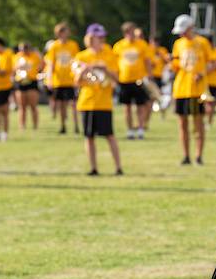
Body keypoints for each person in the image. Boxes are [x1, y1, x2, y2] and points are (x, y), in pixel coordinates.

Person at [73, 23, 123, 176]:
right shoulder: (81, 56)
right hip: (87, 102)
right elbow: (76, 82)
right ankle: (93, 168)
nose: (102, 39)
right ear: (90, 38)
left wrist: (105, 68)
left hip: (104, 102)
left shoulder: (109, 53)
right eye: (98, 37)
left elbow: (117, 77)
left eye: (102, 36)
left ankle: (118, 167)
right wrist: (84, 69)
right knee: (89, 137)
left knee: (109, 135)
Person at [171, 14, 215, 165]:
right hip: (181, 89)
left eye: (184, 30)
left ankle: (198, 155)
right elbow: (176, 63)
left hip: (197, 90)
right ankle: (186, 156)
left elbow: (213, 63)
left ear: (191, 27)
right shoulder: (178, 44)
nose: (182, 34)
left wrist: (202, 73)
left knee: (198, 124)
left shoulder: (202, 42)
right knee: (182, 124)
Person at [113, 23, 152, 139]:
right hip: (124, 80)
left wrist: (149, 75)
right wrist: (115, 79)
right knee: (127, 107)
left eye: (132, 31)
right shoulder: (119, 45)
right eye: (129, 32)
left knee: (140, 106)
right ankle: (129, 130)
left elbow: (147, 61)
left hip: (138, 79)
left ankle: (140, 129)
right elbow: (114, 64)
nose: (131, 34)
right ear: (125, 33)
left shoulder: (141, 44)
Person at [44, 23, 80, 134]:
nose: (65, 34)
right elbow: (51, 64)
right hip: (58, 80)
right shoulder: (54, 46)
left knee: (73, 104)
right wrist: (49, 79)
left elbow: (77, 62)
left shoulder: (73, 45)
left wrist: (77, 77)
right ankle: (63, 125)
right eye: (62, 32)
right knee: (61, 105)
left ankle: (76, 125)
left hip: (71, 79)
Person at [13, 42, 43, 130]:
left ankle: (35, 126)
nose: (23, 51)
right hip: (21, 81)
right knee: (22, 106)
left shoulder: (35, 56)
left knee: (33, 106)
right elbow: (14, 68)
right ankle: (22, 126)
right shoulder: (17, 56)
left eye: (25, 49)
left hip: (31, 81)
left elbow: (41, 66)